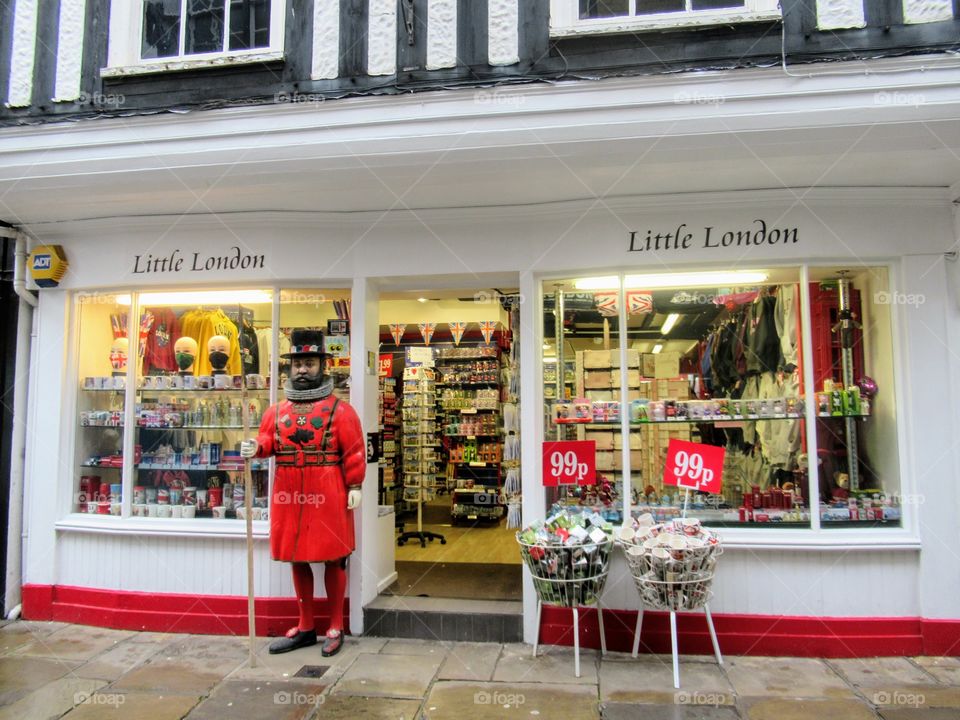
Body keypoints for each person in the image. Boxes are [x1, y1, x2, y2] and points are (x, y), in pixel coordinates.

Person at [240, 329, 365, 656]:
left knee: (334, 557)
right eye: (297, 364)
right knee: (297, 556)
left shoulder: (342, 411)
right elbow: (268, 441)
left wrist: (355, 484)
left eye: (309, 363)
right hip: (289, 489)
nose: (302, 370)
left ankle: (335, 624)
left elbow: (353, 449)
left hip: (328, 489)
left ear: (321, 365)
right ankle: (306, 624)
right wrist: (255, 446)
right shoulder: (275, 411)